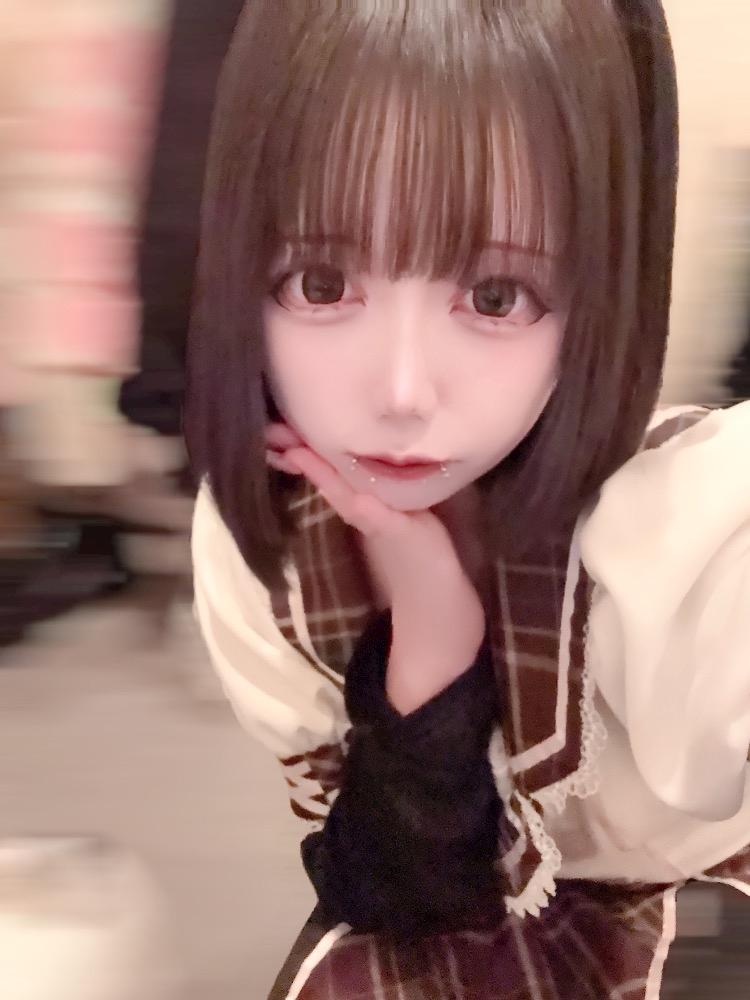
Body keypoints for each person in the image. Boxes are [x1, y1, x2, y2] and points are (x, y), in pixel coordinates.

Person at [186, 2, 750, 998]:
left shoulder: (689, 539)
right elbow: (391, 890)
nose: (402, 391)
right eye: (322, 281)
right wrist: (431, 648)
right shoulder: (269, 548)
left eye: (495, 296)